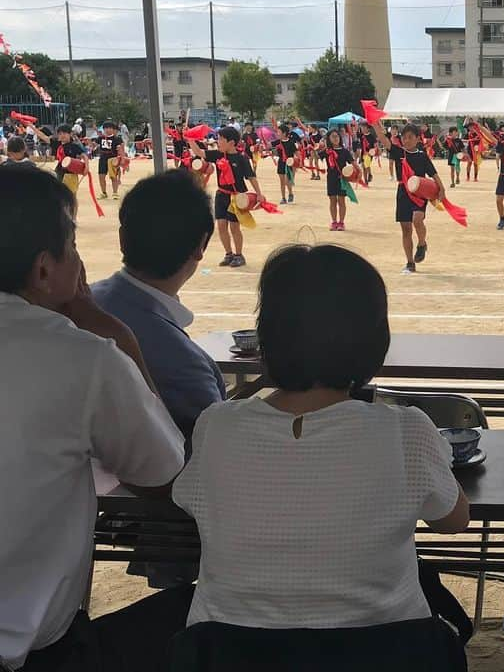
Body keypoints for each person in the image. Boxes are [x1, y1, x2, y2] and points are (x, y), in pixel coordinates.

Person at [172, 245, 470, 659]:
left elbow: (194, 503)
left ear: (269, 334)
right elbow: (453, 521)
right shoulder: (406, 430)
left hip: (228, 654)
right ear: (371, 338)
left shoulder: (217, 426)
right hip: (386, 654)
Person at [0, 168, 190, 672]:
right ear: (44, 271)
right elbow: (165, 475)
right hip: (31, 654)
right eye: (72, 242)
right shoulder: (81, 357)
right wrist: (117, 338)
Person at [92, 169, 225, 447]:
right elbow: (211, 458)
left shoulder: (82, 304)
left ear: (122, 238)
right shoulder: (184, 364)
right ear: (201, 245)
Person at [189, 126, 265, 269]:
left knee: (234, 227)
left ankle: (239, 255)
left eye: (221, 140)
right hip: (221, 194)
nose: (218, 142)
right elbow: (199, 152)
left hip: (237, 197)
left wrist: (259, 194)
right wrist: (190, 138)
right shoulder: (218, 155)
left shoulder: (242, 158)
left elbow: (251, 177)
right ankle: (228, 254)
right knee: (221, 226)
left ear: (231, 142)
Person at [377, 122, 446, 275]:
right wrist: (374, 123)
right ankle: (410, 262)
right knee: (406, 230)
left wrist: (442, 188)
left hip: (419, 192)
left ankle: (422, 243)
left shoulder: (422, 156)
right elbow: (383, 139)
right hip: (403, 193)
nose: (406, 140)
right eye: (404, 137)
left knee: (417, 219)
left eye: (410, 137)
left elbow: (433, 173)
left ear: (417, 139)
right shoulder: (398, 152)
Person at [323, 128, 356, 231]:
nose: (335, 138)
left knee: (341, 201)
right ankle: (334, 222)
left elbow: (353, 164)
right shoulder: (326, 151)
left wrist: (357, 174)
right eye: (333, 136)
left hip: (342, 179)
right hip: (331, 178)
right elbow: (314, 155)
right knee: (332, 200)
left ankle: (341, 222)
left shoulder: (345, 151)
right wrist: (313, 148)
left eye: (337, 136)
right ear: (329, 139)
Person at [95, 119, 126, 200]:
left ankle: (115, 192)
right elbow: (93, 146)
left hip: (113, 159)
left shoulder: (117, 139)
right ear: (104, 129)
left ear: (113, 129)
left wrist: (122, 159)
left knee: (113, 176)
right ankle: (104, 192)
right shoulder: (100, 138)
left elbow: (120, 149)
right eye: (106, 128)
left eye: (110, 128)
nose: (108, 129)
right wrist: (88, 142)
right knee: (101, 176)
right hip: (102, 159)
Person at [272, 122, 299, 204]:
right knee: (282, 181)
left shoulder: (291, 142)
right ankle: (283, 198)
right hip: (281, 162)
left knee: (287, 181)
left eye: (279, 132)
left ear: (284, 133)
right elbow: (269, 146)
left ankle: (290, 193)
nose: (277, 133)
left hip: (289, 163)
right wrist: (262, 146)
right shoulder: (277, 142)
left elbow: (296, 153)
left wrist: (296, 159)